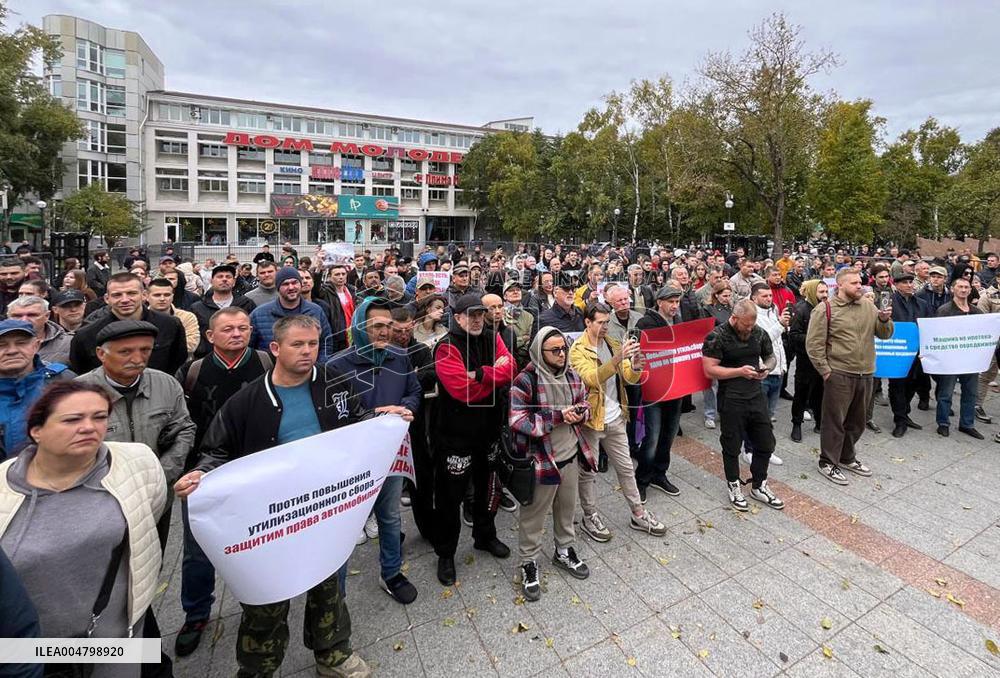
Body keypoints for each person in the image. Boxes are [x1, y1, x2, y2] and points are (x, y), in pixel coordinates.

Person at [174, 315, 373, 678]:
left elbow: (359, 422)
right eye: (298, 345)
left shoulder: (334, 382)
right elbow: (216, 449)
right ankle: (258, 667)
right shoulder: (246, 400)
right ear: (276, 349)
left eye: (313, 344)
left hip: (324, 509)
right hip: (272, 518)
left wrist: (383, 420)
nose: (308, 352)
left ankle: (332, 654)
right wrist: (202, 474)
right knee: (267, 600)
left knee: (327, 587)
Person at [0, 381, 168, 671]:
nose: (89, 427)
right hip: (29, 652)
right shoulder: (3, 486)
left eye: (99, 417)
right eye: (72, 419)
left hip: (118, 639)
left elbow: (147, 521)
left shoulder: (138, 462)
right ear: (36, 430)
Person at [171, 307, 272, 657]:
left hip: (256, 468)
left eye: (243, 328)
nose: (237, 334)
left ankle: (261, 598)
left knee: (258, 541)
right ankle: (196, 613)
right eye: (228, 329)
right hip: (205, 471)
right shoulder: (193, 371)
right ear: (210, 336)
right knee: (197, 550)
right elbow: (181, 422)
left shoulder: (264, 364)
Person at [327, 297, 420, 604]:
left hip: (390, 457)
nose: (384, 332)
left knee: (391, 517)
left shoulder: (399, 356)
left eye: (389, 326)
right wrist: (375, 416)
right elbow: (331, 415)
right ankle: (333, 594)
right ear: (359, 327)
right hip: (351, 464)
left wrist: (406, 408)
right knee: (343, 528)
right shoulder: (337, 365)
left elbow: (413, 391)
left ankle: (391, 572)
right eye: (376, 326)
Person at [431, 293, 516, 586]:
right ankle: (446, 553)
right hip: (455, 437)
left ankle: (485, 536)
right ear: (457, 317)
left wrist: (480, 374)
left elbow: (511, 370)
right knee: (450, 498)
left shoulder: (492, 337)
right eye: (472, 314)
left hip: (488, 431)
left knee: (488, 489)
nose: (479, 319)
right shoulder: (446, 346)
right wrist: (493, 380)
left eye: (481, 313)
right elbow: (462, 391)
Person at [510, 326, 594, 600]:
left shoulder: (572, 375)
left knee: (567, 509)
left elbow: (585, 403)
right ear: (539, 351)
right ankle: (528, 562)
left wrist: (581, 413)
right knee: (533, 515)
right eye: (555, 350)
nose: (561, 354)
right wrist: (558, 417)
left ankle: (564, 550)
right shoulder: (526, 380)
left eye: (564, 349)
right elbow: (517, 420)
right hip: (540, 460)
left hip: (570, 456)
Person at [570, 302, 666, 541]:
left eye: (606, 322)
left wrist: (634, 366)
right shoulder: (577, 350)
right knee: (588, 473)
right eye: (600, 323)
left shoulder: (613, 344)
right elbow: (590, 378)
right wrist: (617, 361)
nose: (605, 327)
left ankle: (638, 512)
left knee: (625, 468)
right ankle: (589, 515)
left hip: (616, 417)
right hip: (592, 421)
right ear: (587, 322)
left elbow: (628, 377)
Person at [806, 268, 893, 486]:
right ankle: (827, 461)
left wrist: (884, 320)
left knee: (858, 421)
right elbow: (814, 345)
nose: (860, 286)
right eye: (854, 283)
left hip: (866, 373)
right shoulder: (825, 309)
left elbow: (884, 334)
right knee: (834, 421)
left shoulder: (867, 305)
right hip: (839, 374)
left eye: (860, 282)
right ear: (840, 285)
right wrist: (826, 371)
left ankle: (846, 457)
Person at [702, 299, 786, 511]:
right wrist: (738, 371)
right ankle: (734, 485)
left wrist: (766, 367)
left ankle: (759, 485)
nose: (749, 329)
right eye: (746, 324)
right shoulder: (717, 336)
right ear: (734, 318)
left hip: (756, 396)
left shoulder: (757, 332)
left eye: (752, 324)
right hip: (731, 398)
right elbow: (709, 369)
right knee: (731, 446)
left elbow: (770, 356)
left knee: (766, 442)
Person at [69, 273, 189, 376]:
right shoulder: (86, 335)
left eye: (131, 293)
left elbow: (177, 361)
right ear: (107, 299)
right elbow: (82, 371)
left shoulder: (170, 325)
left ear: (144, 295)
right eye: (117, 295)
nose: (125, 299)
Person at [634, 285, 685, 501]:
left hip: (676, 388)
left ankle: (660, 474)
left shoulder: (680, 322)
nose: (674, 306)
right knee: (652, 437)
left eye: (677, 302)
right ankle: (642, 479)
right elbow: (636, 353)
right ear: (660, 302)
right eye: (671, 302)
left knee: (669, 434)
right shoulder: (645, 323)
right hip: (653, 390)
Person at [0, 319, 74, 461]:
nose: (12, 351)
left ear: (36, 346)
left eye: (21, 343)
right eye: (2, 345)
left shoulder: (63, 382)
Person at [934, 277, 984, 439]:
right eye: (960, 287)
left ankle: (967, 424)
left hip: (971, 360)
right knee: (945, 393)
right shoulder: (944, 310)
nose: (964, 290)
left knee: (970, 393)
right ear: (953, 289)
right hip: (950, 361)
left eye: (966, 287)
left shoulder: (977, 312)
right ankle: (943, 423)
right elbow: (937, 336)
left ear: (970, 290)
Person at [250, 267, 334, 363]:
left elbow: (326, 343)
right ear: (278, 288)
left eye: (294, 282)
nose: (291, 287)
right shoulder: (259, 314)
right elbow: (249, 348)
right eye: (285, 284)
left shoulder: (316, 311)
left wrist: (318, 367)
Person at [886, 271, 933, 438]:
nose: (909, 285)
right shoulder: (890, 302)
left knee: (913, 383)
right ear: (896, 285)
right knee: (897, 385)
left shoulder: (921, 303)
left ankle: (904, 413)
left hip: (917, 352)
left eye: (910, 282)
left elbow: (928, 325)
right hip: (897, 351)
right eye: (905, 282)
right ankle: (900, 420)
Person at [190, 264, 257, 357]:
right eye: (220, 276)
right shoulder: (197, 308)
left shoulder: (247, 304)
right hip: (207, 358)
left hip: (242, 357)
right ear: (211, 281)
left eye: (228, 277)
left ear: (234, 282)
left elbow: (254, 331)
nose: (224, 279)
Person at [788, 280, 826, 442]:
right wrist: (814, 339)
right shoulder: (801, 310)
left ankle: (819, 421)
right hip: (805, 360)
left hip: (823, 360)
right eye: (821, 292)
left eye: (826, 292)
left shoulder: (827, 308)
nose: (824, 295)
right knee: (801, 394)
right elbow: (794, 335)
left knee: (820, 393)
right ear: (811, 292)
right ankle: (797, 424)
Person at [6, 296, 72, 366]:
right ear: (8, 317)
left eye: (32, 315)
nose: (24, 320)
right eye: (17, 316)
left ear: (47, 316)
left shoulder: (69, 343)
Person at [146, 278, 201, 355]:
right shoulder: (140, 317)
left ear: (172, 296)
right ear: (147, 297)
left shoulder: (187, 317)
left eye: (167, 295)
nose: (162, 299)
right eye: (157, 295)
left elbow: (191, 345)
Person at [316, 263, 357, 353]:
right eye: (337, 274)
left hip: (353, 333)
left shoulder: (352, 290)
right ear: (330, 277)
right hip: (337, 336)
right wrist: (318, 270)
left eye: (343, 274)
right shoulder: (325, 291)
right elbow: (315, 290)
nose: (341, 277)